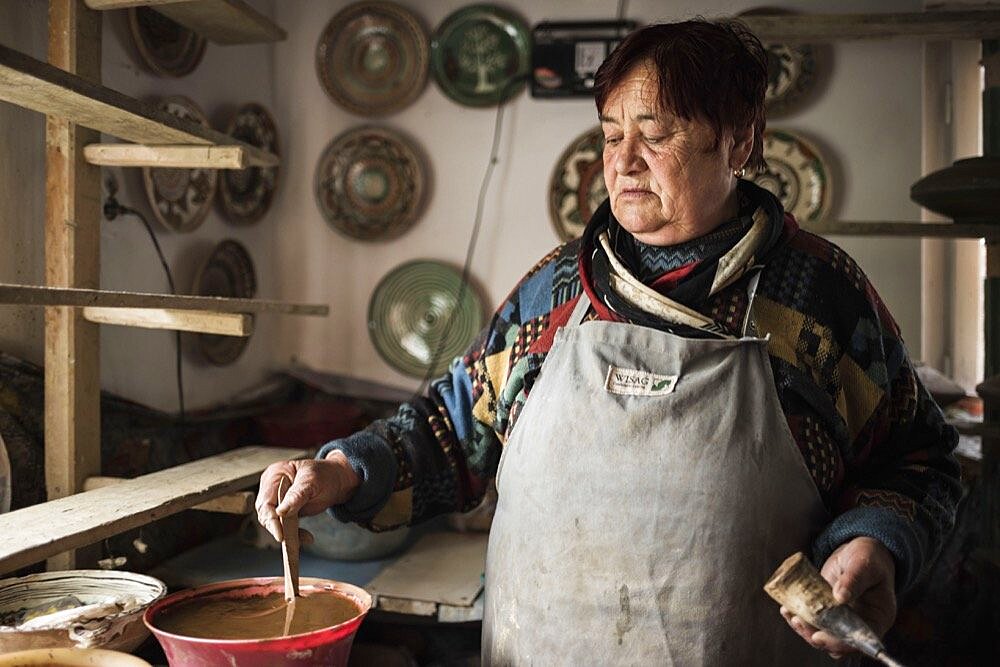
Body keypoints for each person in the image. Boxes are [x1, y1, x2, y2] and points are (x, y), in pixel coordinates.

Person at [257, 19, 961, 665]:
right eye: (610, 132)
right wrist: (341, 470)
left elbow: (919, 460)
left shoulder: (816, 296)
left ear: (741, 139)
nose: (622, 161)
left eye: (655, 135)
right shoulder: (559, 289)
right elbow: (449, 432)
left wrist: (874, 542)